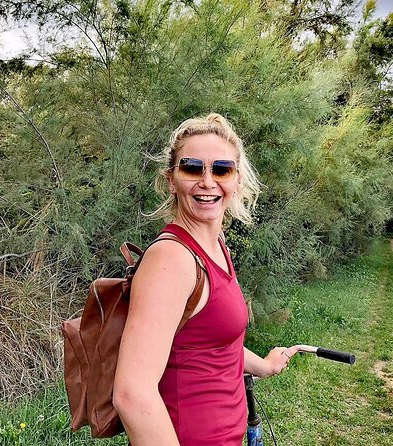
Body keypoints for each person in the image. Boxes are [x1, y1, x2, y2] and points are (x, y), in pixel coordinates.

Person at [112, 113, 297, 445]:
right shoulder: (172, 259)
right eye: (192, 168)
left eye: (221, 169)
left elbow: (212, 346)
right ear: (171, 179)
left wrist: (264, 366)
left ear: (236, 180)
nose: (208, 182)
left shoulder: (215, 246)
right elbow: (132, 394)